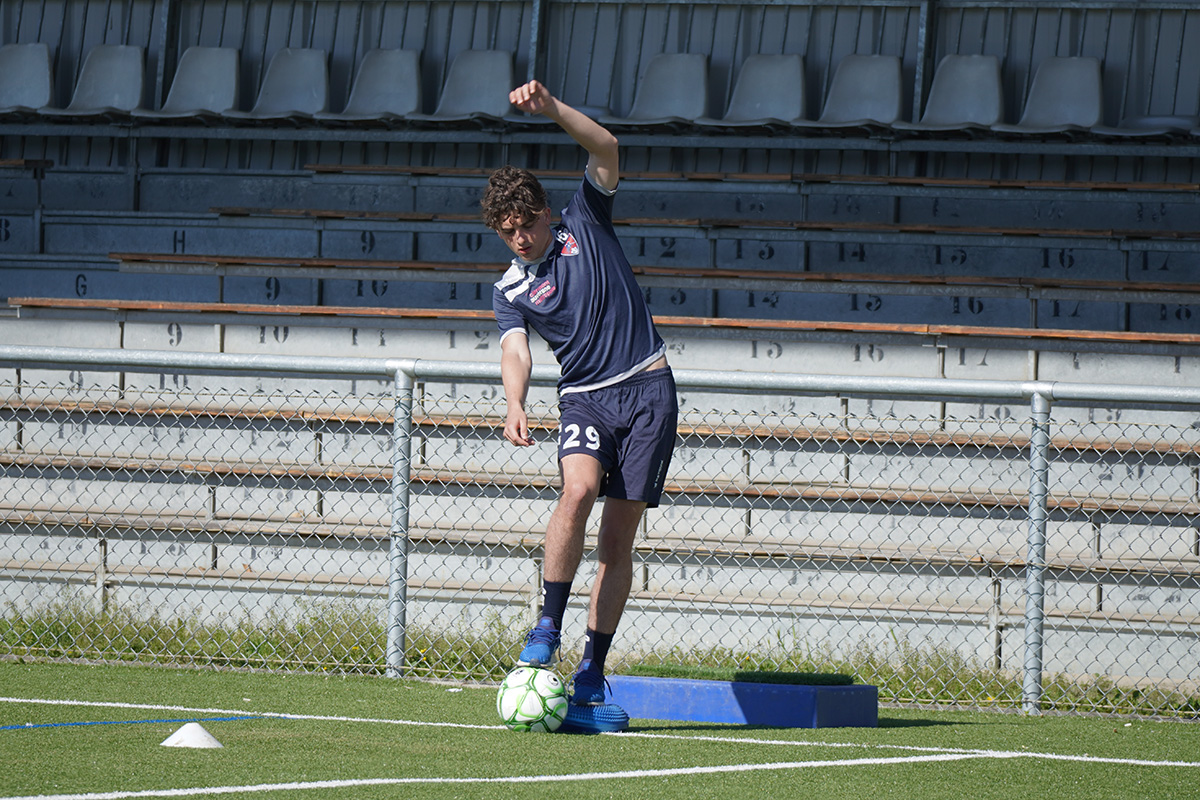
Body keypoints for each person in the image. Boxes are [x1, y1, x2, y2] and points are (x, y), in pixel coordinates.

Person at [482, 80, 678, 734]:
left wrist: (553, 111)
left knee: (618, 542)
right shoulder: (511, 287)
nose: (519, 239)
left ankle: (591, 681)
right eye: (506, 232)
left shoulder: (586, 217)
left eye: (526, 225)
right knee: (576, 493)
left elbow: (608, 145)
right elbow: (515, 349)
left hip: (648, 389)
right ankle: (546, 628)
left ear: (545, 213)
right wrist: (515, 400)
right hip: (586, 399)